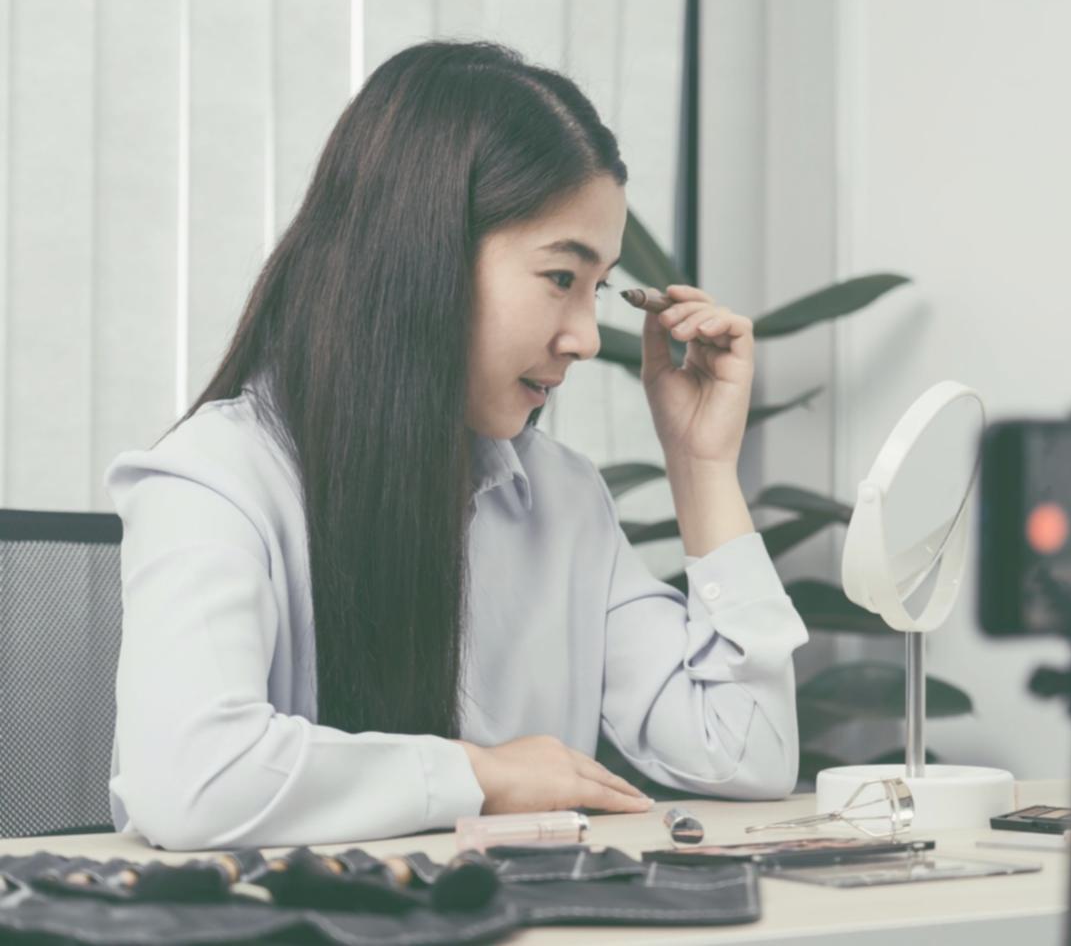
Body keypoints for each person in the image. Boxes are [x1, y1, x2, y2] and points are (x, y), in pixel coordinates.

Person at [104, 41, 809, 851]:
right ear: (423, 255)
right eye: (560, 277)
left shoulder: (563, 501)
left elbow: (746, 752)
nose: (586, 337)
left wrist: (701, 466)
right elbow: (192, 780)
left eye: (599, 287)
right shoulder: (217, 476)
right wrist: (484, 774)